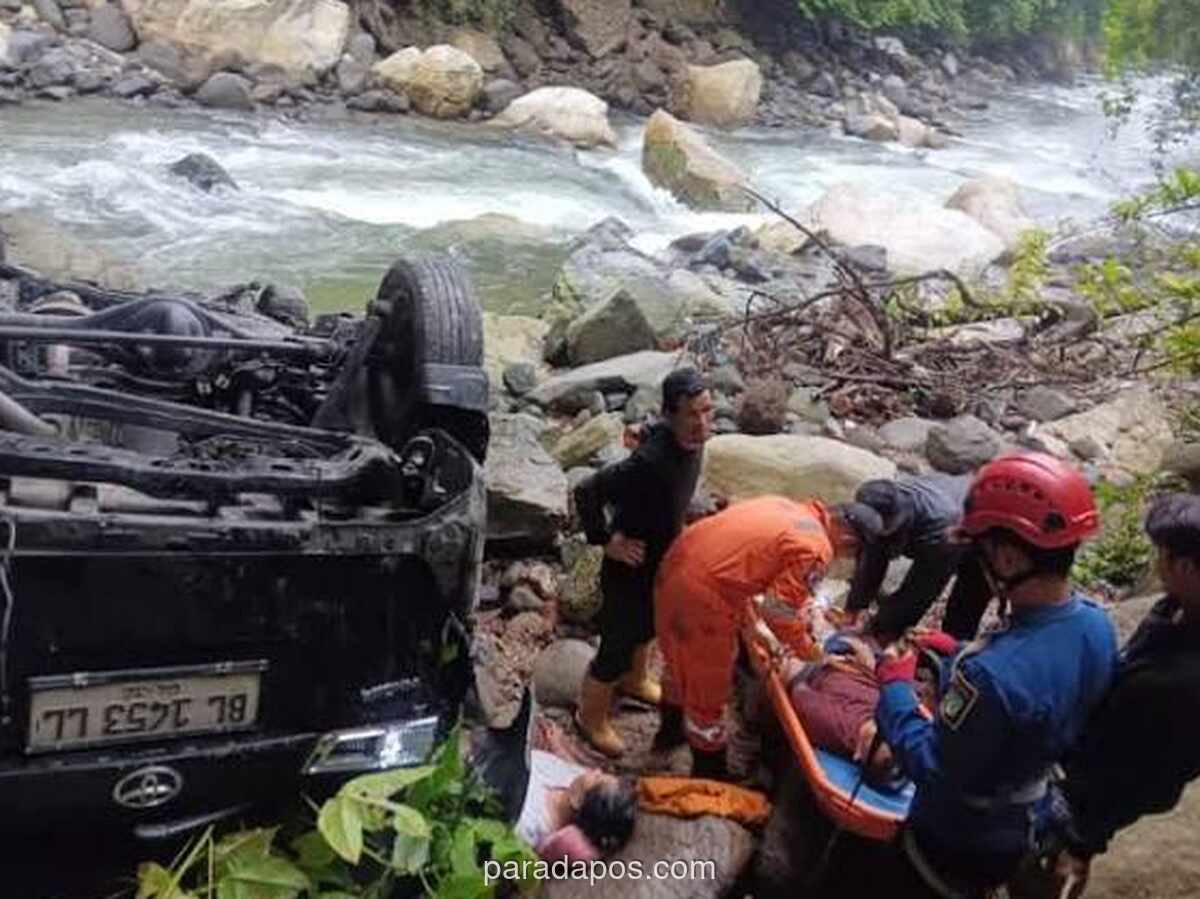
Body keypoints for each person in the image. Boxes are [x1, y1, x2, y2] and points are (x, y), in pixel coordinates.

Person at [870, 452, 1119, 898]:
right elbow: (1038, 690)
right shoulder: (1095, 626)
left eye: (978, 552)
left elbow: (932, 767)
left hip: (953, 840)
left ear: (1006, 558)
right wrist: (959, 653)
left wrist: (894, 689)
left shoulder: (991, 678)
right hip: (1025, 815)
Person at [1024, 492, 1200, 896]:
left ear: (1187, 567)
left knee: (1054, 859)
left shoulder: (1181, 683)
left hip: (1093, 791)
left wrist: (1084, 830)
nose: (1158, 566)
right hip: (1098, 753)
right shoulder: (1175, 611)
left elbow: (1150, 777)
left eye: (1163, 556)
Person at [652, 494, 882, 780]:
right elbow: (779, 610)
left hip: (677, 565)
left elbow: (737, 564)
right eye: (851, 554)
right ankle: (708, 771)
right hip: (702, 597)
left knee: (679, 661)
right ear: (848, 540)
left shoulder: (786, 507)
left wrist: (754, 626)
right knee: (708, 689)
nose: (846, 558)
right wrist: (810, 651)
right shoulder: (815, 548)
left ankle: (669, 733)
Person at [572, 367, 713, 757]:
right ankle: (591, 717)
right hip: (628, 566)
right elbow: (587, 490)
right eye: (691, 415)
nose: (702, 423)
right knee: (617, 643)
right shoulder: (649, 462)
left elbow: (660, 439)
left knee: (650, 626)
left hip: (662, 557)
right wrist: (605, 541)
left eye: (707, 412)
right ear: (672, 415)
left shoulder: (689, 441)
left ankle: (635, 680)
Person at [848, 474, 996, 639]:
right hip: (955, 504)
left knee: (965, 604)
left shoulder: (941, 527)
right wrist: (856, 606)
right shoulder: (885, 499)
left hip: (987, 532)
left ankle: (951, 654)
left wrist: (875, 631)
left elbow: (920, 592)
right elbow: (873, 556)